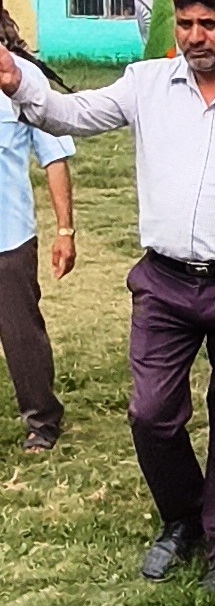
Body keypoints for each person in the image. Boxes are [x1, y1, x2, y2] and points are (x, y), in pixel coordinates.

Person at [0, 0, 215, 591]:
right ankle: (183, 517)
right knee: (151, 413)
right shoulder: (146, 82)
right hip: (164, 282)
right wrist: (19, 82)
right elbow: (70, 114)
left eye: (209, 25)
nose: (195, 37)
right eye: (185, 24)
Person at [0, 54, 75, 453]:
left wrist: (65, 230)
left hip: (7, 234)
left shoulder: (24, 78)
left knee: (20, 332)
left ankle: (41, 419)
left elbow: (55, 157)